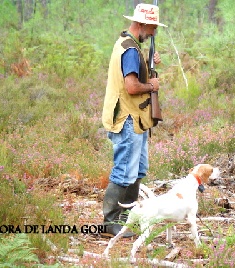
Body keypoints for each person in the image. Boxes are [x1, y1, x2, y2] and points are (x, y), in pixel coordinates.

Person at [101, 3, 167, 237]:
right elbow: (131, 87)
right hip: (127, 119)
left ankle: (126, 218)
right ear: (141, 24)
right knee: (123, 173)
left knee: (138, 171)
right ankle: (111, 223)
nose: (153, 33)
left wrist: (150, 64)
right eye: (152, 28)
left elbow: (135, 74)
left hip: (136, 119)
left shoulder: (131, 46)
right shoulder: (130, 49)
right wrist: (152, 85)